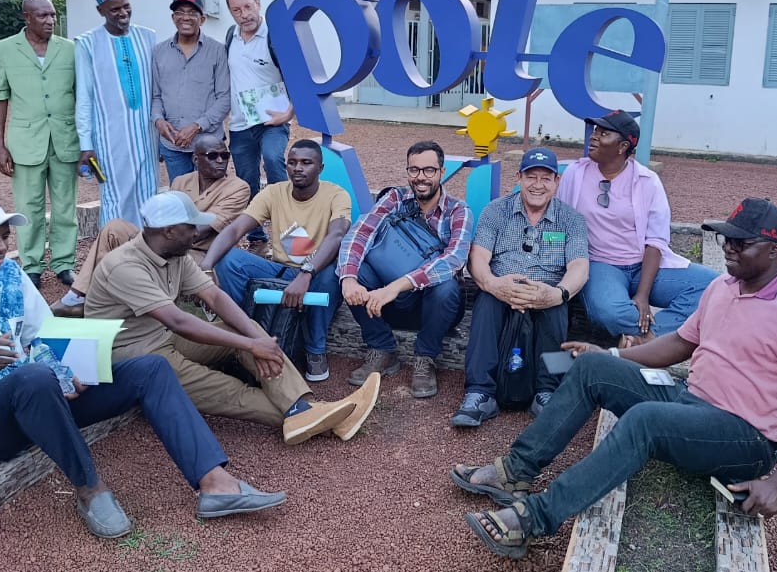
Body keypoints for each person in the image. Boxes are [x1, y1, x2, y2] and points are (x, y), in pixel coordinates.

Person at [451, 198, 777, 560]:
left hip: (745, 438)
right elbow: (679, 342)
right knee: (590, 367)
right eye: (727, 239)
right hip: (690, 404)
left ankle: (533, 519)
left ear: (775, 250)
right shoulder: (724, 288)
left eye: (741, 243)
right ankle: (517, 471)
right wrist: (613, 355)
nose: (729, 248)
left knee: (646, 420)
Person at [0, 194, 286, 541]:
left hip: (41, 401)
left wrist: (68, 372)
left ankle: (215, 484)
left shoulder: (9, 275)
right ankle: (91, 491)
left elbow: (45, 334)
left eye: (4, 235)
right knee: (32, 377)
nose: (0, 245)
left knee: (149, 367)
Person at [83, 191, 377, 444]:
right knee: (226, 389)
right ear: (169, 230)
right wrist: (251, 345)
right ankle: (322, 416)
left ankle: (305, 410)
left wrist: (256, 337)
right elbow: (179, 321)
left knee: (251, 331)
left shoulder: (175, 254)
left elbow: (213, 296)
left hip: (162, 338)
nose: (198, 233)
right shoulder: (124, 266)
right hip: (134, 359)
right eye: (191, 226)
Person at [451, 148, 589, 427]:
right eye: (531, 177)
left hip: (546, 290)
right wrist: (492, 284)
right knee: (486, 302)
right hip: (502, 288)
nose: (538, 185)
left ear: (556, 182)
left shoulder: (571, 219)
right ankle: (479, 393)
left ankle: (547, 392)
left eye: (545, 178)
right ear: (519, 178)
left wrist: (557, 292)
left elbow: (579, 267)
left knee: (557, 307)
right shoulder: (496, 210)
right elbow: (478, 257)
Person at [558, 111, 718, 344]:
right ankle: (654, 340)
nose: (594, 137)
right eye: (595, 131)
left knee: (714, 287)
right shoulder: (576, 174)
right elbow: (562, 221)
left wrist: (643, 295)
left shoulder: (647, 180)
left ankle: (645, 339)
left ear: (622, 146)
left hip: (644, 265)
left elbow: (655, 240)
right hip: (601, 265)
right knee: (609, 311)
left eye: (604, 133)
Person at [52, 133, 250, 316]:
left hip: (199, 254)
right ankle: (79, 296)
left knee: (135, 249)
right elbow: (163, 219)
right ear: (196, 159)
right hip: (167, 242)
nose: (220, 161)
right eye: (212, 155)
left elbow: (200, 231)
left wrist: (146, 242)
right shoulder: (181, 181)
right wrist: (148, 240)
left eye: (225, 156)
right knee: (114, 228)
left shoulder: (238, 188)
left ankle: (100, 302)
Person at [337, 140, 473, 399]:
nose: (421, 178)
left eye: (429, 170)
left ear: (442, 172)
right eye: (414, 170)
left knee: (446, 287)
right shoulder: (395, 198)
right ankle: (382, 348)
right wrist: (348, 278)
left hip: (432, 309)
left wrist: (395, 287)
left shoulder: (458, 210)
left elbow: (454, 259)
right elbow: (361, 232)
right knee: (351, 269)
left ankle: (425, 358)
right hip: (383, 304)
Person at [203, 140, 348, 382]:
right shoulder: (273, 192)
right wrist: (206, 266)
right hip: (281, 271)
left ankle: (315, 350)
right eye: (292, 162)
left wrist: (306, 273)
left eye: (306, 163)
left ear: (320, 168)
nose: (297, 168)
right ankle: (243, 335)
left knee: (332, 272)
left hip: (316, 273)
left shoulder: (336, 195)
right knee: (229, 259)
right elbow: (235, 229)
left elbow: (337, 235)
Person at [0, 0, 79, 289]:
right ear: (27, 18)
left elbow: (82, 98)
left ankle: (65, 263)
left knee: (66, 206)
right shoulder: (4, 50)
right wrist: (0, 145)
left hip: (65, 139)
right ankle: (32, 265)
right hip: (25, 141)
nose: (50, 21)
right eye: (43, 16)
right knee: (29, 207)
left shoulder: (69, 49)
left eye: (52, 15)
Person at [75, 0, 158, 227]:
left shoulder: (148, 37)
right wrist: (86, 144)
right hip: (109, 138)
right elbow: (84, 97)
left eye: (126, 7)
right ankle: (113, 254)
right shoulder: (87, 43)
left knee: (148, 194)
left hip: (147, 135)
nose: (123, 14)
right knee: (113, 197)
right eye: (114, 10)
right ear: (101, 11)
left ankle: (146, 253)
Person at [224, 0, 293, 251]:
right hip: (241, 125)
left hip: (272, 121)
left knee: (275, 162)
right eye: (236, 10)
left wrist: (288, 113)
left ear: (258, 3)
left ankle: (288, 231)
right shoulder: (231, 36)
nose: (244, 14)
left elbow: (297, 77)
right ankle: (257, 239)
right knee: (246, 180)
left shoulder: (276, 36)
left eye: (248, 7)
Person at [150, 0, 231, 182]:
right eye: (180, 12)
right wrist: (158, 121)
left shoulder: (217, 51)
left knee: (211, 198)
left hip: (208, 145)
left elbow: (225, 97)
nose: (185, 17)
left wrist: (196, 127)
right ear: (173, 18)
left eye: (192, 13)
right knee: (181, 199)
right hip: (173, 145)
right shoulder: (159, 52)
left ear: (202, 19)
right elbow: (155, 95)